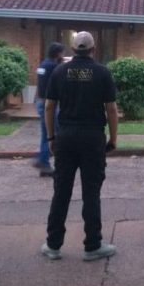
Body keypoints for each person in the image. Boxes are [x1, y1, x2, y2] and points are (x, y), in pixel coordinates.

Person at [41, 31, 119, 262]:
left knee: (61, 191)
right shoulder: (102, 73)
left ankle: (53, 245)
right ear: (93, 50)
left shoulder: (59, 71)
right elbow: (111, 109)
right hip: (92, 138)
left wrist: (51, 138)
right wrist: (113, 139)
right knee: (91, 193)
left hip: (65, 138)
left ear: (73, 50)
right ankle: (92, 245)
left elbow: (49, 107)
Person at [34, 42, 65, 177]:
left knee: (46, 133)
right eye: (62, 52)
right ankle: (43, 160)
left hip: (41, 101)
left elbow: (40, 83)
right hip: (49, 105)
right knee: (55, 133)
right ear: (58, 53)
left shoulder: (43, 64)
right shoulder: (54, 66)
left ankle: (43, 163)